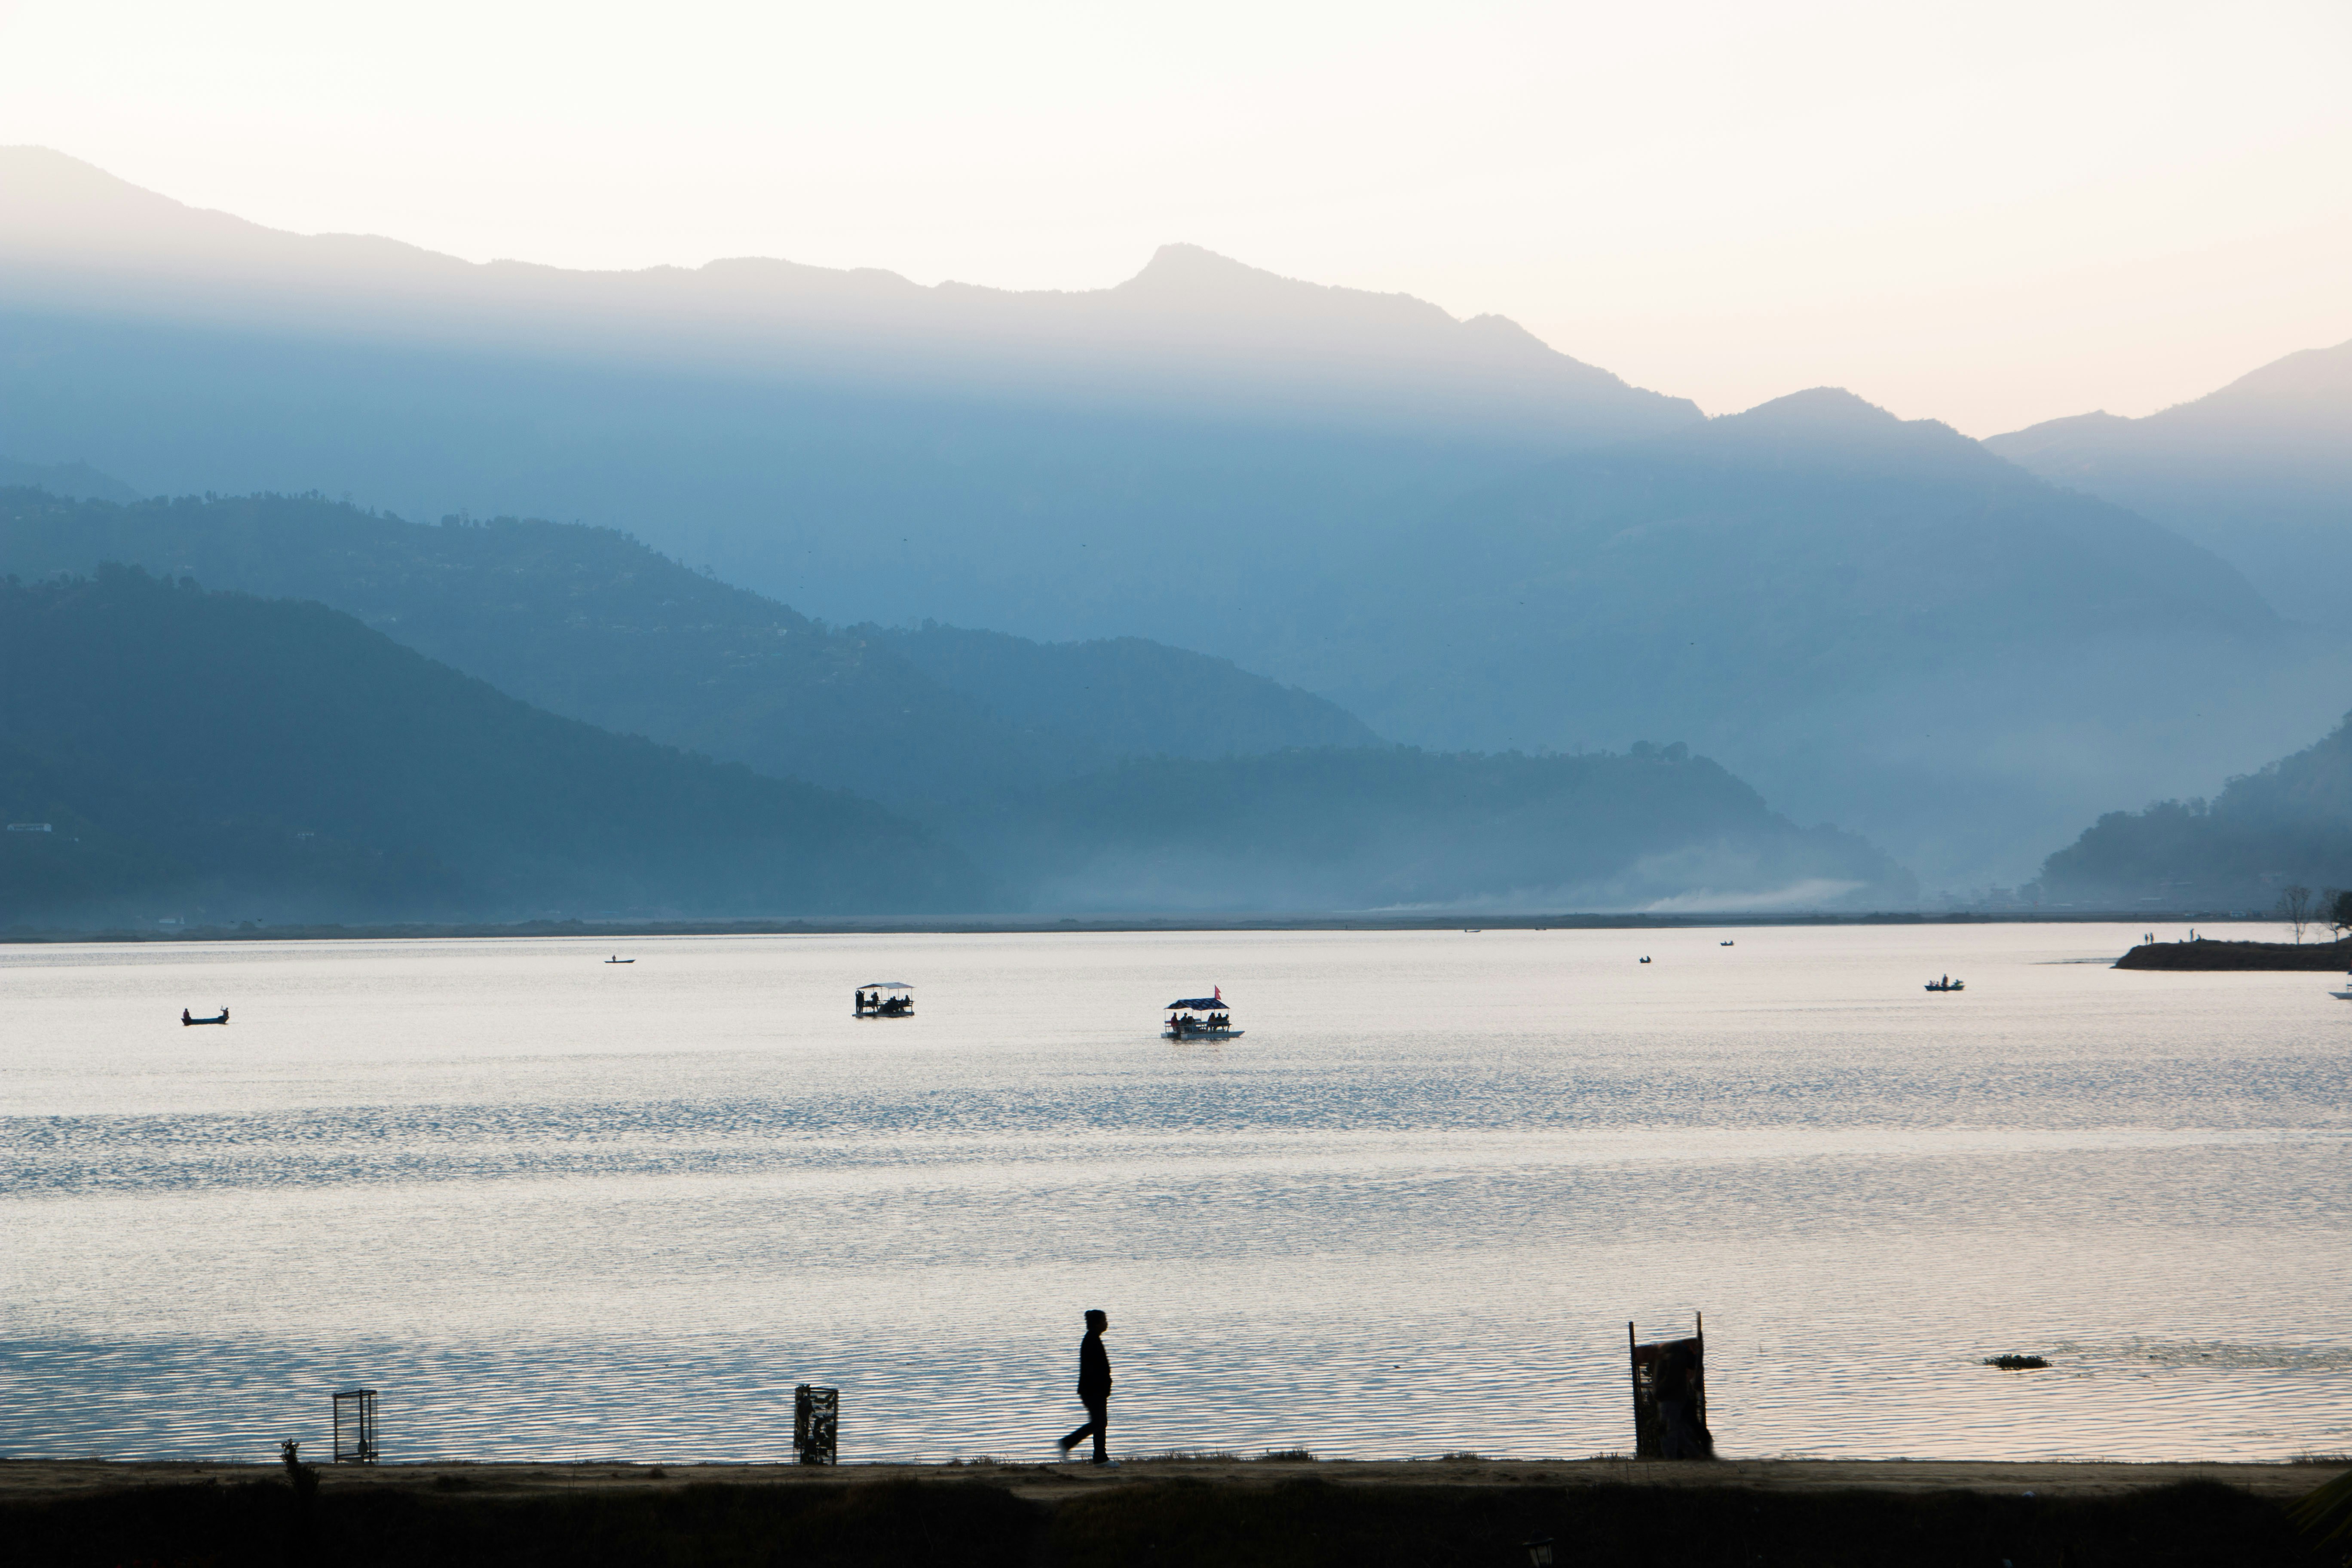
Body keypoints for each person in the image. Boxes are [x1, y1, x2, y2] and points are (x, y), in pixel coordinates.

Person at [1057, 1308, 1113, 1463]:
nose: (1107, 1323)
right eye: (1104, 1320)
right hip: (1093, 1390)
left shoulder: (1093, 1338)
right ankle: (1067, 1443)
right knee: (1099, 1423)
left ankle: (1100, 1457)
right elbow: (1094, 1369)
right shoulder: (1091, 1340)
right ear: (1097, 1324)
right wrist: (1102, 1387)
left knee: (1100, 1423)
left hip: (1095, 1390)